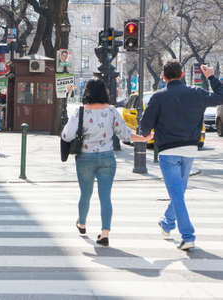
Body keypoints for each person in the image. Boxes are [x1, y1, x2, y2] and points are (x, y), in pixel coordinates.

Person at [140, 61, 223, 250]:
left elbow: (145, 126)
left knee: (177, 193)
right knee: (179, 191)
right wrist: (211, 76)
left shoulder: (158, 97)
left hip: (168, 150)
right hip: (190, 149)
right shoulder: (196, 93)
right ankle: (167, 222)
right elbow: (221, 96)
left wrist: (146, 134)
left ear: (163, 77)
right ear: (183, 74)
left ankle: (188, 235)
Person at [61, 78, 152, 247]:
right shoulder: (111, 111)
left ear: (87, 92)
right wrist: (143, 138)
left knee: (85, 194)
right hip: (107, 158)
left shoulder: (80, 112)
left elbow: (66, 135)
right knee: (105, 197)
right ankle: (105, 233)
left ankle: (81, 223)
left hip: (85, 158)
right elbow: (125, 134)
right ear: (104, 92)